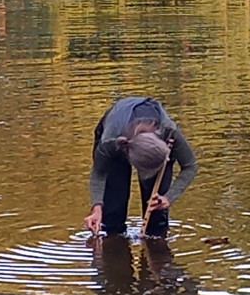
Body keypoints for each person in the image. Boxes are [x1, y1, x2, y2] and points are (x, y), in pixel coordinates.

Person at [83, 96, 199, 238]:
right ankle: (113, 241)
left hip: (159, 148)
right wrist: (97, 208)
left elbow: (190, 165)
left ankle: (157, 252)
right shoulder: (109, 141)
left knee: (156, 213)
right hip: (117, 141)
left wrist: (168, 197)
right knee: (113, 212)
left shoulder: (169, 133)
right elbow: (99, 174)